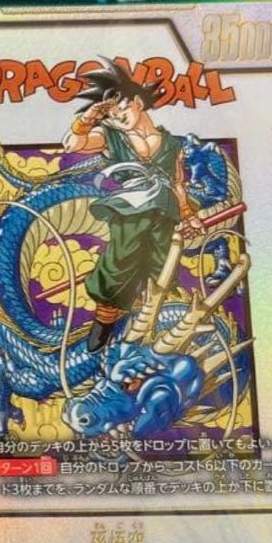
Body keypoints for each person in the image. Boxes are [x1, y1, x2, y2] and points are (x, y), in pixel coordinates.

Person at [63, 59, 205, 351]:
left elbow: (177, 183)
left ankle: (154, 326)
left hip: (165, 212)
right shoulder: (110, 137)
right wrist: (88, 118)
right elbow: (72, 144)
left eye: (122, 110)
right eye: (112, 117)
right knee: (119, 263)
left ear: (138, 102)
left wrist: (188, 215)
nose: (119, 119)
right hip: (130, 209)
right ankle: (104, 324)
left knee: (162, 267)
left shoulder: (171, 143)